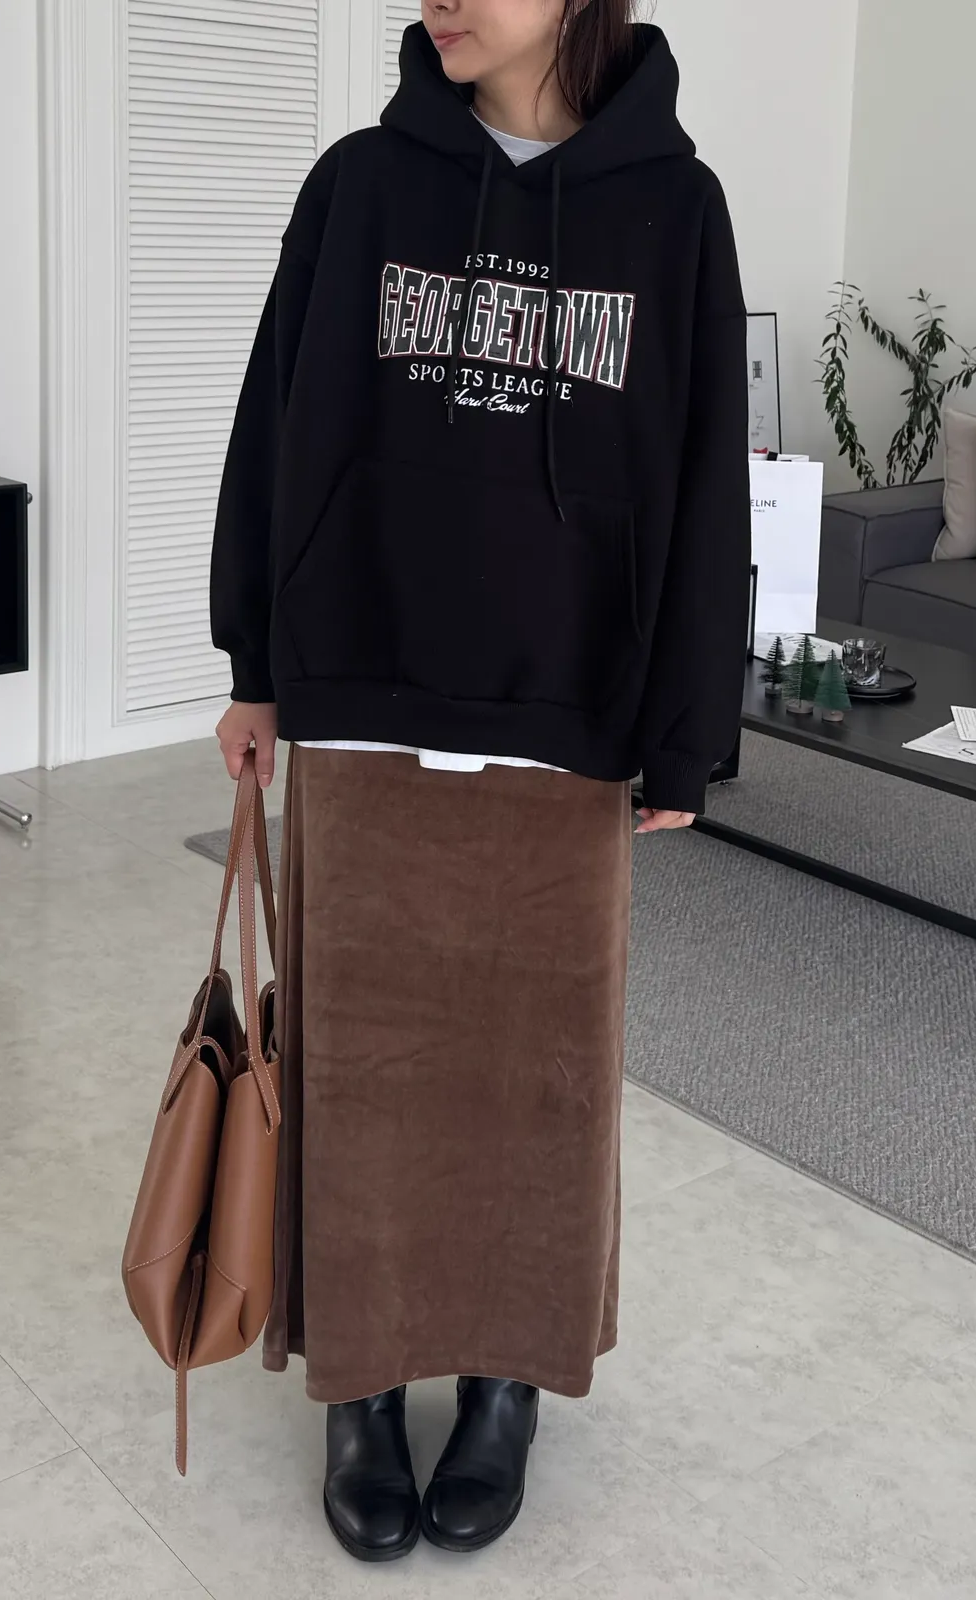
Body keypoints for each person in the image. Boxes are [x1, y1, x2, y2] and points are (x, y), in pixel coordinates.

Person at [209, 0, 750, 1566]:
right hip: (366, 700)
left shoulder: (675, 209)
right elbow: (275, 426)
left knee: (538, 1085)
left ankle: (507, 1378)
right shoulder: (360, 184)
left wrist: (686, 726)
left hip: (566, 717)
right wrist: (256, 662)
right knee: (363, 1076)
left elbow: (705, 468)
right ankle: (363, 1382)